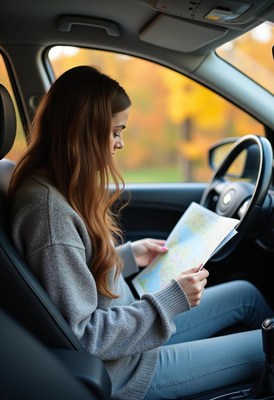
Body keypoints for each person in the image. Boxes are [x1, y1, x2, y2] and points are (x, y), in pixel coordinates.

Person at [8, 65, 273, 400]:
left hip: (131, 333)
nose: (120, 144)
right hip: (126, 369)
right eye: (116, 131)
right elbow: (86, 337)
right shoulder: (48, 213)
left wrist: (128, 256)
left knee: (246, 294)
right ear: (84, 132)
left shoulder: (52, 188)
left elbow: (69, 273)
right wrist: (172, 299)